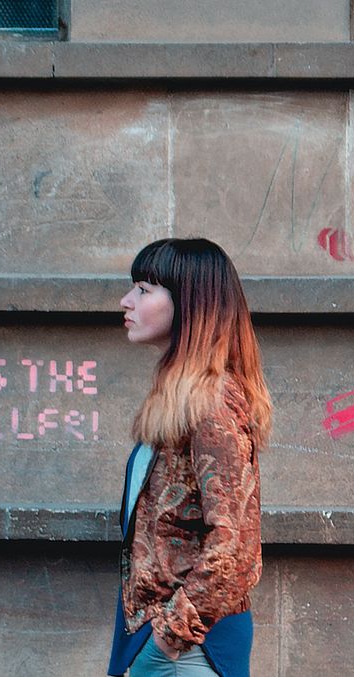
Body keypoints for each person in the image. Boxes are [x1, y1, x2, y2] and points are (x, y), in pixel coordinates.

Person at [108, 238, 272, 677]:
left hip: (190, 650)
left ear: (190, 304)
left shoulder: (211, 403)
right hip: (166, 641)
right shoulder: (179, 400)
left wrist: (167, 642)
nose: (127, 301)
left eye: (144, 290)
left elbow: (234, 545)